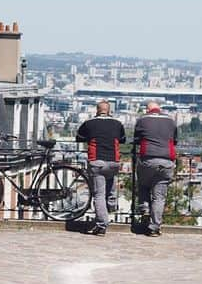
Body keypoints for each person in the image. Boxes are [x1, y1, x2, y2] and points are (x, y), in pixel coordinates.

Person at [76, 101, 126, 235]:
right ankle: (111, 206)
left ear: (97, 110)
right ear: (109, 111)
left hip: (97, 161)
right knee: (109, 188)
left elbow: (79, 137)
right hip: (113, 161)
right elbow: (122, 139)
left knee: (99, 194)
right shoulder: (117, 123)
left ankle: (102, 224)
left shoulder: (89, 123)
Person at [132, 101, 177, 236]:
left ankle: (144, 208)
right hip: (166, 161)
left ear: (148, 110)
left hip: (148, 158)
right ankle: (154, 227)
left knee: (143, 184)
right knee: (159, 197)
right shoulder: (171, 121)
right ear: (160, 109)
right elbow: (174, 141)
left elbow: (137, 139)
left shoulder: (142, 120)